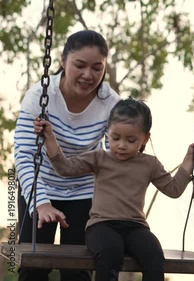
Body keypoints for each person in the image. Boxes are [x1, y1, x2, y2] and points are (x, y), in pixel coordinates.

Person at [34, 97, 194, 281]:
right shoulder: (99, 158)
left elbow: (174, 189)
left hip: (136, 227)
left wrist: (189, 159)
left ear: (145, 138)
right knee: (110, 251)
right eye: (115, 138)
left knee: (154, 255)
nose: (122, 145)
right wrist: (49, 137)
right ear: (108, 132)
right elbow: (65, 168)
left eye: (131, 140)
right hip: (101, 226)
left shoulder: (150, 164)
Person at [14, 30, 121, 281]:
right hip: (40, 184)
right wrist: (41, 203)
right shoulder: (39, 96)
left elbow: (115, 159)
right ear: (63, 61)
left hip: (84, 189)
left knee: (77, 269)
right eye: (80, 65)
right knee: (33, 266)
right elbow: (25, 154)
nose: (88, 75)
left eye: (97, 68)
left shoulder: (110, 103)